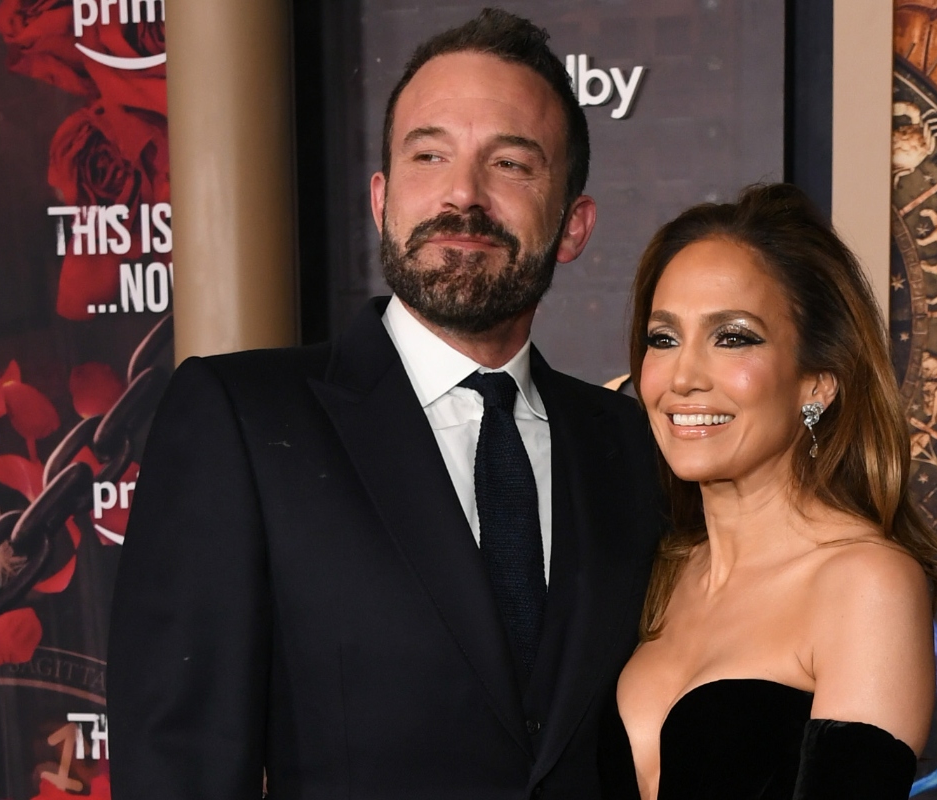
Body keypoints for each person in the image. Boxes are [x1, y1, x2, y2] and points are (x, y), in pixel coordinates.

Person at [107, 10, 663, 800]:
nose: (463, 194)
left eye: (510, 163)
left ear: (573, 225)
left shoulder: (629, 446)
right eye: (428, 155)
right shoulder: (243, 419)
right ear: (381, 200)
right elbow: (178, 762)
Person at [596, 184, 937, 799]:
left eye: (732, 337)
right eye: (663, 339)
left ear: (817, 384)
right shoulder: (659, 571)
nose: (682, 377)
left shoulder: (866, 583)